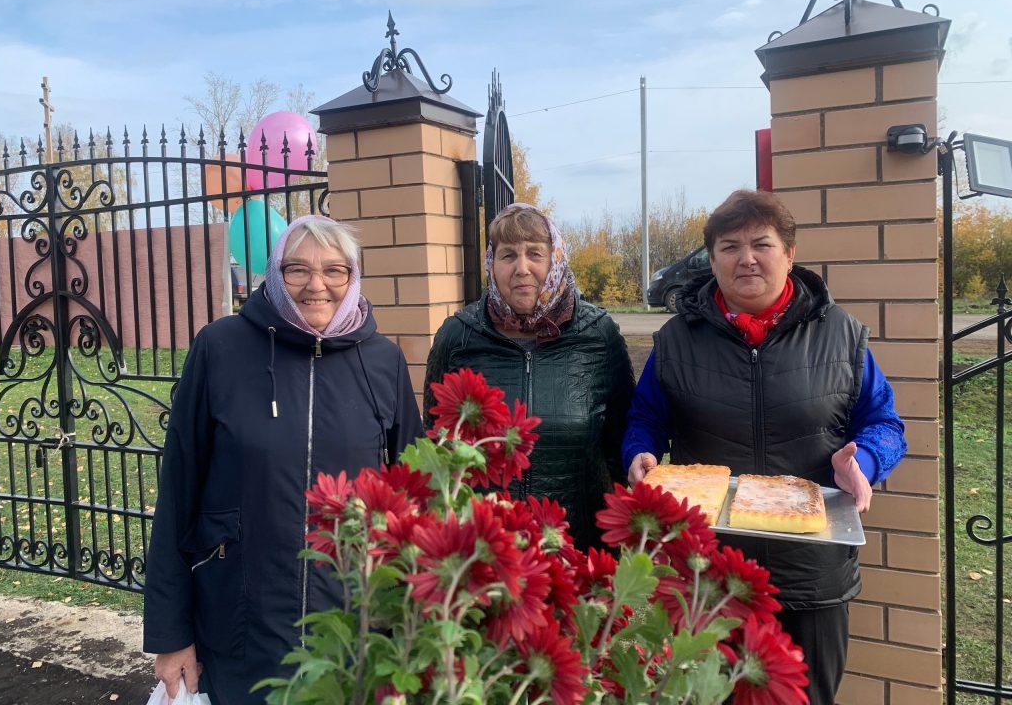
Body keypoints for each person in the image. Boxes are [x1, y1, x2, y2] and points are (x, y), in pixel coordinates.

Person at [622, 189, 907, 705]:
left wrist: (864, 460)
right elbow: (646, 418)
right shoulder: (676, 341)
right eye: (729, 247)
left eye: (761, 244)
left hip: (810, 577)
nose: (746, 258)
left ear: (789, 254)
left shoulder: (842, 336)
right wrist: (638, 452)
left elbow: (885, 424)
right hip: (707, 575)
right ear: (712, 261)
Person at [143, 215, 422, 704]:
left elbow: (413, 494)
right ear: (274, 272)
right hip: (240, 623)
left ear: (353, 277)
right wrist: (171, 636)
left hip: (350, 629)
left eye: (334, 270)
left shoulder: (382, 360)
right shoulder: (220, 348)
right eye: (297, 269)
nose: (316, 285)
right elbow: (179, 492)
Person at [424, 203, 634, 550]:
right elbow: (437, 439)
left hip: (577, 545)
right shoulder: (457, 336)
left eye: (535, 253)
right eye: (508, 255)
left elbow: (619, 441)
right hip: (485, 546)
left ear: (555, 259)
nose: (522, 268)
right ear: (492, 264)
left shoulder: (598, 334)